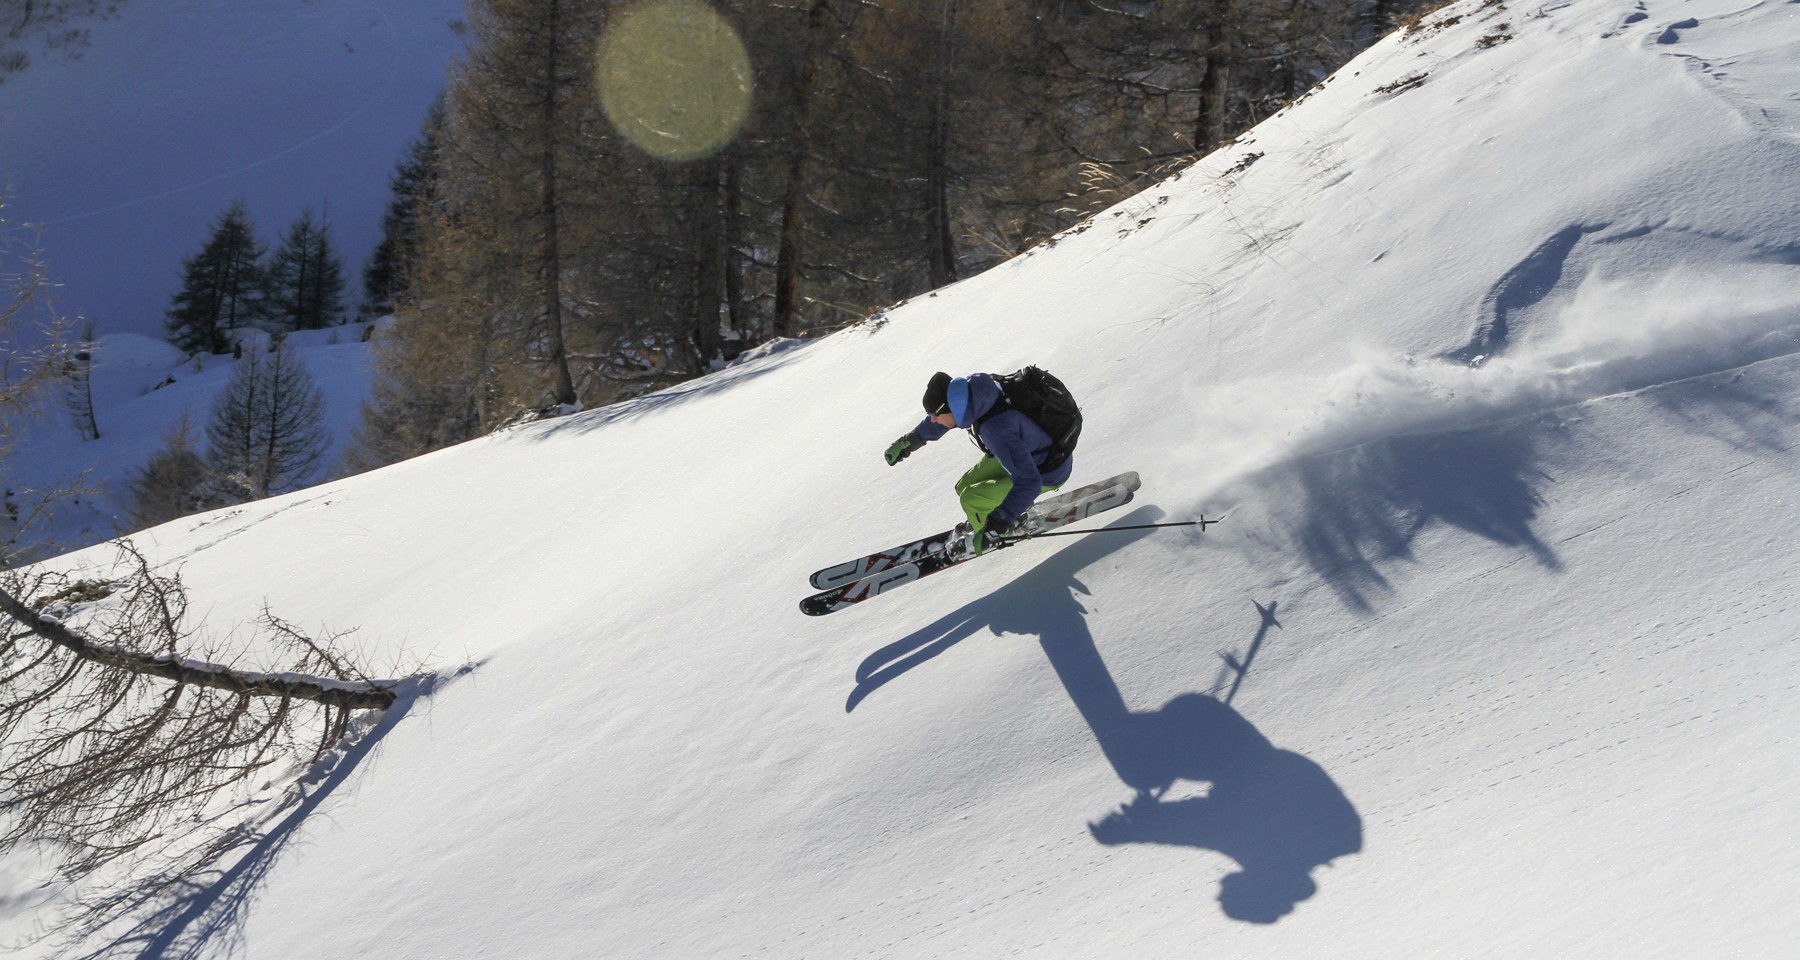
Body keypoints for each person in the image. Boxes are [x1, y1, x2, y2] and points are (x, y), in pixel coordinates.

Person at [883, 371, 1073, 555]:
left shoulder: (996, 429)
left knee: (971, 499)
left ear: (951, 407)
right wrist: (910, 441)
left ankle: (988, 532)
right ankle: (984, 517)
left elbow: (1030, 482)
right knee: (963, 486)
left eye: (934, 414)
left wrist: (999, 523)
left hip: (1048, 471)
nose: (933, 419)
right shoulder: (976, 392)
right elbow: (945, 417)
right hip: (1028, 453)